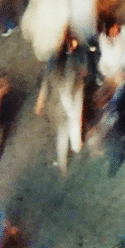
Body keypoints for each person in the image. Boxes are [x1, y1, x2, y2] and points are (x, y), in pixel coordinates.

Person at [35, 38, 88, 175]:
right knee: (72, 125)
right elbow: (67, 93)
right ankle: (76, 148)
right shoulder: (69, 65)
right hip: (68, 102)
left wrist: (40, 101)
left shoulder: (52, 63)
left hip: (55, 105)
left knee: (62, 134)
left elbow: (46, 83)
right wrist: (71, 112)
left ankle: (62, 162)